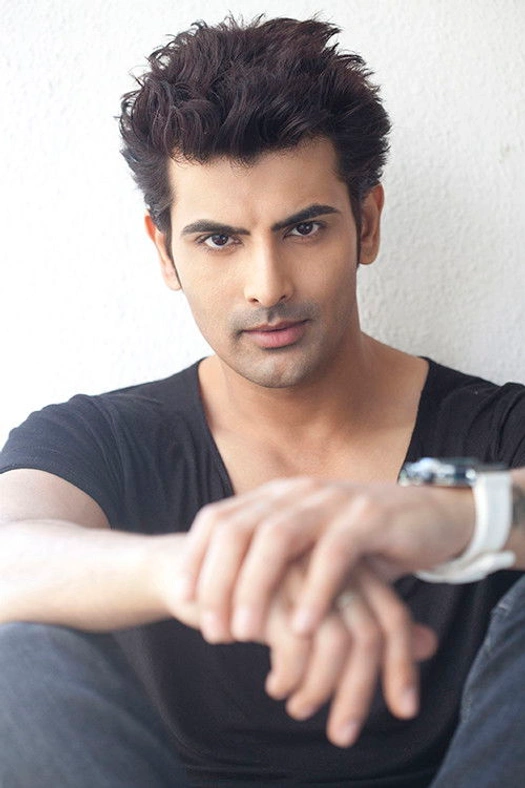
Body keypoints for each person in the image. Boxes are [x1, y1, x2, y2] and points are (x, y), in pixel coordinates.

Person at [0, 14, 525, 788]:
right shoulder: (101, 438)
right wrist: (212, 568)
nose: (267, 286)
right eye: (219, 239)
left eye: (303, 228)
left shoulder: (499, 427)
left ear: (366, 224)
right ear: (164, 251)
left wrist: (456, 517)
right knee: (16, 654)